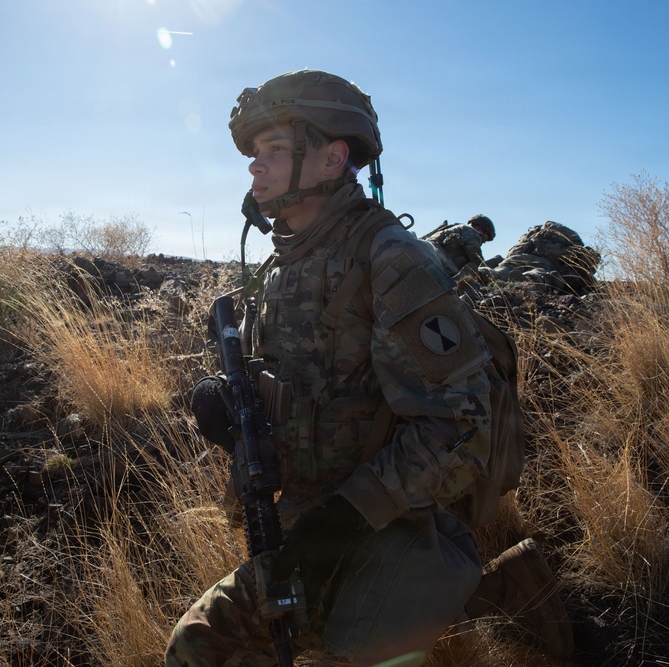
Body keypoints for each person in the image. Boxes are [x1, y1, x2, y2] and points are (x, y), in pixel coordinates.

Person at [167, 69, 570, 666]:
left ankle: (490, 593)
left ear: (333, 160)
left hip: (391, 525)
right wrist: (230, 407)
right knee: (197, 649)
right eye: (254, 153)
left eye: (274, 150)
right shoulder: (282, 266)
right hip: (306, 525)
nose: (255, 166)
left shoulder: (392, 261)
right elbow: (306, 389)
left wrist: (344, 518)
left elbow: (461, 430)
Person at [422, 214, 496, 278]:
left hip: (426, 251)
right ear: (479, 228)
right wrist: (487, 272)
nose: (483, 242)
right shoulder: (472, 232)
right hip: (437, 255)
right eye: (485, 239)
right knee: (458, 279)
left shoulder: (457, 228)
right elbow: (475, 258)